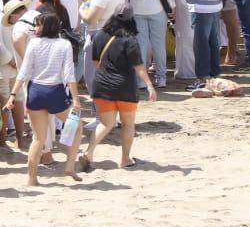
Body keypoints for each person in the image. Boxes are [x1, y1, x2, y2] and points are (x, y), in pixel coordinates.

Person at [84, 10, 158, 171]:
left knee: (105, 123)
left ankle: (89, 152)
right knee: (128, 124)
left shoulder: (100, 35)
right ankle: (125, 159)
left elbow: (96, 62)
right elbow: (139, 66)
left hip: (102, 85)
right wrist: (150, 86)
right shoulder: (130, 39)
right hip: (125, 87)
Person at [11, 12, 79, 187]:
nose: (35, 28)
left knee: (38, 138)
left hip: (35, 91)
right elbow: (69, 74)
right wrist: (76, 99)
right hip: (55, 91)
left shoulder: (33, 43)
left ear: (46, 26)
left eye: (38, 25)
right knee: (76, 126)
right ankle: (70, 165)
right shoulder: (64, 44)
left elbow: (24, 72)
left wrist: (13, 94)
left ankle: (31, 178)